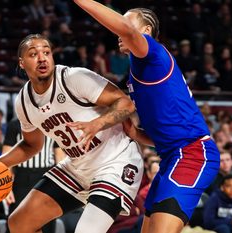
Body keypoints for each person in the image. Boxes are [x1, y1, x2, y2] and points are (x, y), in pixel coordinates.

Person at [72, 2, 220, 233]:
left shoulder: (154, 55)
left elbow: (126, 29)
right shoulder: (137, 68)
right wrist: (136, 134)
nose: (120, 30)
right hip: (171, 157)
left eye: (127, 22)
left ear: (146, 31)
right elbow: (166, 131)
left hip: (192, 154)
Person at [0, 34, 144, 233]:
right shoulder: (24, 101)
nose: (42, 58)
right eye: (33, 54)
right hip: (78, 166)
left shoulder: (74, 78)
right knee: (19, 223)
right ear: (22, 63)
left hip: (115, 161)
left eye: (46, 52)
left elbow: (125, 103)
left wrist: (97, 124)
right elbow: (31, 145)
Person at [3, 118, 64, 233]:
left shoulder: (54, 122)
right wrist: (6, 187)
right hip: (22, 177)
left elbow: (60, 158)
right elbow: (7, 157)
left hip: (47, 176)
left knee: (47, 221)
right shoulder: (15, 124)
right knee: (17, 220)